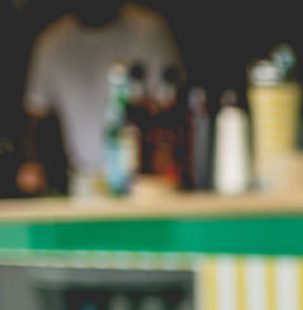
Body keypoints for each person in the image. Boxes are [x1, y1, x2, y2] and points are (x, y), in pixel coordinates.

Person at [18, 0, 181, 195]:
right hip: (83, 180)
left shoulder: (148, 29)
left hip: (146, 183)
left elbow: (172, 107)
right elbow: (37, 116)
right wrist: (34, 163)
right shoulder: (52, 42)